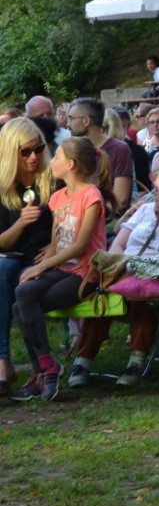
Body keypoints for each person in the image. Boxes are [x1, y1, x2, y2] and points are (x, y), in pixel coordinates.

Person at [69, 164, 159, 389]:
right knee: (105, 293)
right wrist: (121, 264)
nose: (153, 193)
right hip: (126, 267)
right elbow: (118, 244)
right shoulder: (146, 210)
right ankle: (83, 362)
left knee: (146, 292)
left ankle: (135, 363)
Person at [9, 138, 112, 401]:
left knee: (22, 305)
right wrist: (41, 264)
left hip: (86, 275)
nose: (51, 161)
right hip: (63, 269)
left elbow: (81, 245)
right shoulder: (57, 198)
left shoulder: (91, 195)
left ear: (71, 164)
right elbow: (57, 243)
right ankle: (46, 369)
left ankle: (45, 371)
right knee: (22, 295)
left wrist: (43, 266)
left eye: (56, 157)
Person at [0, 120, 53, 397]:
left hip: (47, 258)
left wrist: (55, 246)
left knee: (22, 284)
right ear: (11, 152)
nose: (33, 157)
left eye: (38, 149)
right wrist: (20, 223)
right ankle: (2, 361)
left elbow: (72, 221)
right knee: (2, 271)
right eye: (25, 152)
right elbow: (2, 242)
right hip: (13, 256)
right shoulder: (2, 185)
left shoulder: (53, 179)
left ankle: (41, 370)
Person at [67, 97, 133, 215]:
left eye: (71, 118)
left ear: (86, 120)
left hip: (108, 220)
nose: (68, 124)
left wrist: (89, 218)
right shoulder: (73, 150)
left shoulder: (119, 149)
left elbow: (120, 200)